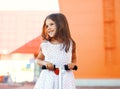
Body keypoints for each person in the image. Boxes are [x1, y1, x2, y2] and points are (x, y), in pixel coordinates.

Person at [33, 13, 77, 89]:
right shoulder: (45, 45)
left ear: (61, 25)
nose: (48, 28)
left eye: (51, 24)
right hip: (49, 78)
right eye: (47, 26)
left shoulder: (70, 43)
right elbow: (38, 60)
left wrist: (72, 64)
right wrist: (45, 63)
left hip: (65, 79)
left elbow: (74, 59)